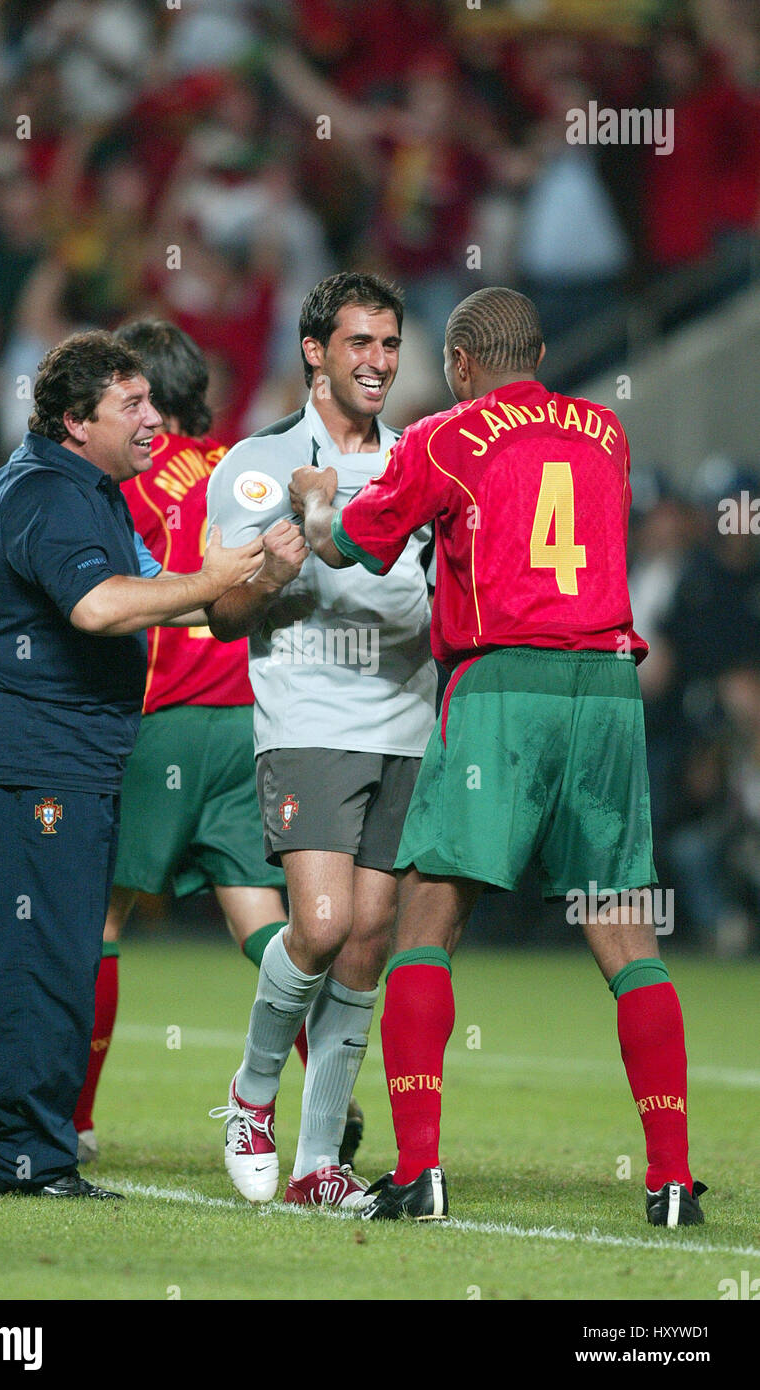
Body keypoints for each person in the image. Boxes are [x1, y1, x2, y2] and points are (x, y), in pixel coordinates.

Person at [290, 285, 706, 1227]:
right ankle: (672, 1179)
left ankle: (421, 1172)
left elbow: (355, 545)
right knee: (628, 942)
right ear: (543, 352)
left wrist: (318, 507)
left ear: (463, 364)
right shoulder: (603, 431)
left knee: (424, 927)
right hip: (604, 689)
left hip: (499, 688)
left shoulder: (446, 434)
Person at [0, 330, 262, 1200]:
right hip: (32, 752)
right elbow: (102, 605)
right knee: (49, 957)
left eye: (152, 400)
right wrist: (207, 580)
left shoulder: (87, 491)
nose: (157, 419)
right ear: (77, 421)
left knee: (17, 953)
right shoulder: (51, 493)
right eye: (134, 406)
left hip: (42, 750)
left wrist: (251, 581)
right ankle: (34, 1160)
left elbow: (167, 596)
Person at [206, 271, 436, 1208]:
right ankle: (251, 1092)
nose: (378, 363)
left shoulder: (420, 457)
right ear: (314, 351)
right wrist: (268, 575)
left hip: (407, 715)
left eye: (388, 344)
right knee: (324, 924)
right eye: (358, 344)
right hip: (307, 715)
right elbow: (221, 614)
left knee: (368, 941)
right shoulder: (255, 465)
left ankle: (315, 1169)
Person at [73, 319, 306, 1164]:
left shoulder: (129, 482)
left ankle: (76, 1121)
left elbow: (114, 599)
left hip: (160, 718)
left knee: (99, 920)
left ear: (151, 405)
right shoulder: (246, 471)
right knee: (268, 925)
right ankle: (323, 1111)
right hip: (250, 722)